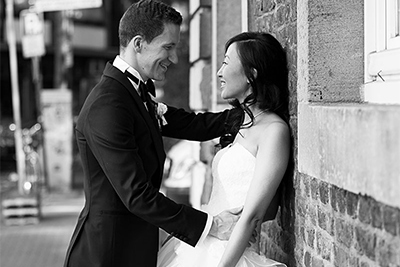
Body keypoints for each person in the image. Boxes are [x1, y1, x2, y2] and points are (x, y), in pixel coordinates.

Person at [63, 1, 244, 267]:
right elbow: (137, 194)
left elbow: (188, 123)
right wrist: (211, 225)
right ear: (138, 44)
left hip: (135, 248)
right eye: (168, 47)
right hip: (108, 254)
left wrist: (247, 115)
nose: (174, 58)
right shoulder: (107, 105)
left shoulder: (136, 90)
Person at [157, 32, 290, 267]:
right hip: (203, 245)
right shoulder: (241, 123)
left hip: (229, 256)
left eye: (226, 63)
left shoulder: (274, 131)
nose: (219, 72)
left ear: (252, 74)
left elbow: (256, 215)